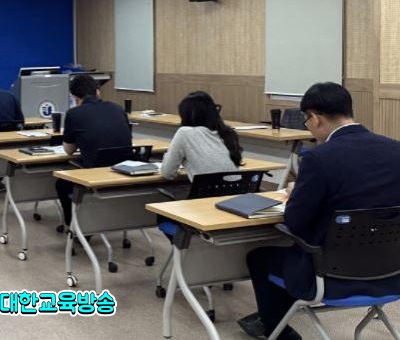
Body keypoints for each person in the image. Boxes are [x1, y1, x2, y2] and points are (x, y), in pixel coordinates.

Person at [239, 82, 400, 340]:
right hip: (390, 273)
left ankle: (277, 330)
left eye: (307, 121)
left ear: (314, 118)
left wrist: (296, 196)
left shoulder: (320, 158)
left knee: (259, 256)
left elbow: (295, 222)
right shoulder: (395, 149)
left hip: (331, 276)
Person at [56, 74, 132, 227]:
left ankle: (73, 225)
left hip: (96, 173)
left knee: (62, 184)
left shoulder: (74, 113)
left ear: (74, 97)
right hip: (124, 169)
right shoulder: (117, 109)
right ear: (98, 91)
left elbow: (68, 150)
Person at [160, 91, 242, 198]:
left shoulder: (185, 133)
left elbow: (167, 173)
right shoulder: (227, 133)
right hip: (236, 198)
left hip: (206, 198)